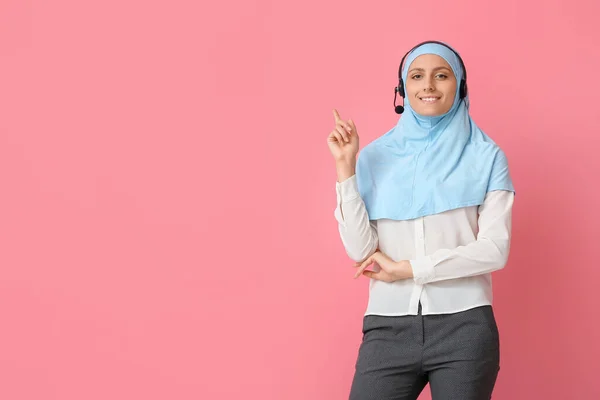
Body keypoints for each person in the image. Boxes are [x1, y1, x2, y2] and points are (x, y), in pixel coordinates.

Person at [327, 41, 515, 400]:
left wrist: (409, 269)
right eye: (416, 76)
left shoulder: (488, 157)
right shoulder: (373, 157)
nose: (428, 85)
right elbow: (360, 249)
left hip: (465, 327)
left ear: (459, 85)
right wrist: (345, 169)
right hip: (386, 327)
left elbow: (495, 250)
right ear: (402, 89)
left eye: (441, 75)